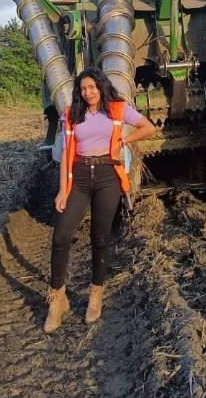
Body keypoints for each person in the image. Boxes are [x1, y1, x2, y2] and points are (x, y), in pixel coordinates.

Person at [44, 67, 155, 333]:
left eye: (92, 87)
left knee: (100, 237)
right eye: (83, 89)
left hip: (107, 176)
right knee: (61, 236)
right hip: (79, 177)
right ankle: (57, 299)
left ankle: (96, 293)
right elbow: (66, 154)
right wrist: (62, 190)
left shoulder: (117, 108)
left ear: (101, 86)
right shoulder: (71, 114)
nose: (88, 92)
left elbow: (148, 127)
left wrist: (124, 140)